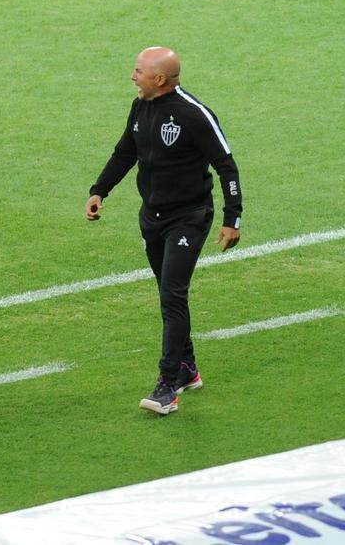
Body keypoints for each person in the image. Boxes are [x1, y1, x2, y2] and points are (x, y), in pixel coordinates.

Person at [86, 46, 242, 415]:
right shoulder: (141, 106)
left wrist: (232, 219)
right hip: (151, 218)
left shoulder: (194, 115)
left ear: (159, 79)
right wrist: (99, 190)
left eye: (138, 71)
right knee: (166, 293)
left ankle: (167, 385)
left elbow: (227, 166)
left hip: (189, 217)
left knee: (173, 295)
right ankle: (187, 369)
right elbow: (125, 152)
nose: (132, 76)